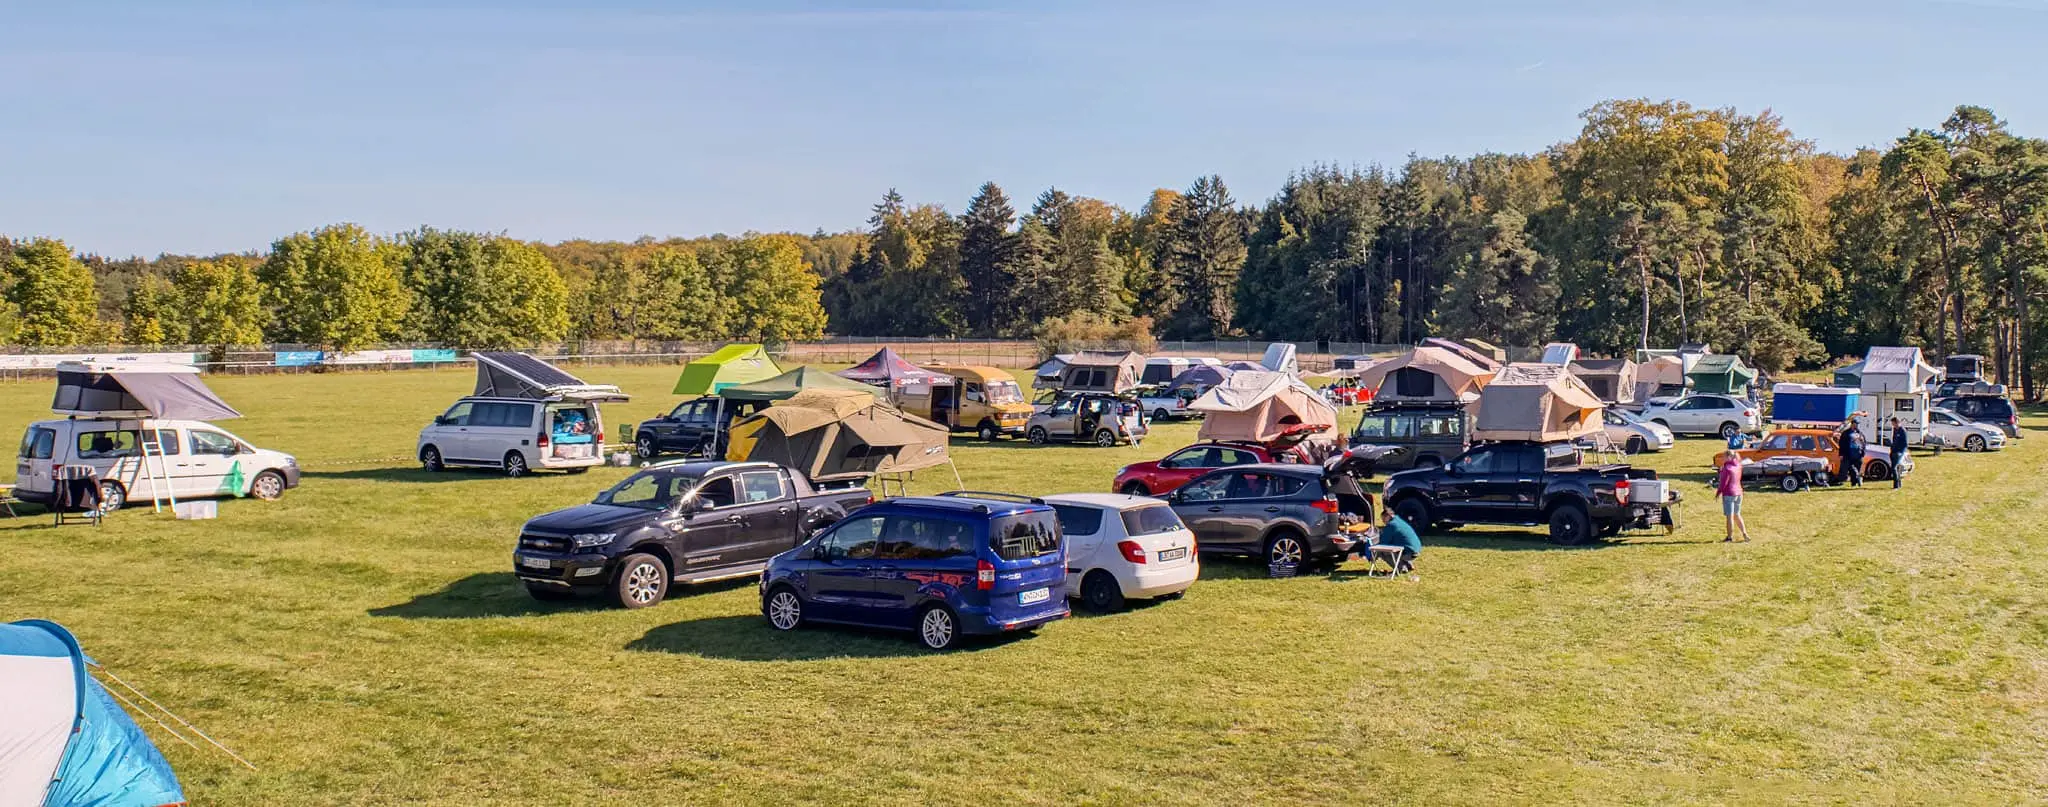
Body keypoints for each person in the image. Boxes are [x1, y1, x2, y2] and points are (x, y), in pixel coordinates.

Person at [1714, 452, 1751, 542]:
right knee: (1737, 514)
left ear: (1729, 457)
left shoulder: (1726, 468)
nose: (1723, 459)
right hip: (1739, 492)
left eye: (1724, 457)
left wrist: (1718, 493)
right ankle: (1745, 534)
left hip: (1729, 493)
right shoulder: (1738, 465)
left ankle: (1729, 537)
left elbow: (1723, 483)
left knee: (1729, 516)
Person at [1372, 508, 1422, 573]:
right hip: (1416, 549)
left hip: (1408, 552)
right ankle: (1409, 565)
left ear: (1388, 516)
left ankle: (1400, 568)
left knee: (1382, 552)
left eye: (1384, 519)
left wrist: (1373, 553)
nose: (1383, 521)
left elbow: (1383, 543)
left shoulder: (1391, 525)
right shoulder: (1399, 521)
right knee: (1397, 547)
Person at [1836, 417, 1865, 488]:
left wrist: (1863, 451)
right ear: (1852, 424)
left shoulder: (1859, 433)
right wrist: (1841, 454)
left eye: (1857, 424)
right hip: (1848, 454)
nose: (1857, 425)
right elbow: (1841, 444)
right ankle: (1858, 479)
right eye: (1855, 424)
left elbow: (1864, 443)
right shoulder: (1846, 433)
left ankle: (1854, 483)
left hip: (1858, 455)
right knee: (1850, 468)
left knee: (1856, 469)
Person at [1888, 417, 1909, 490]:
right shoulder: (1895, 430)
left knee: (1893, 468)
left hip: (1899, 452)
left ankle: (1896, 485)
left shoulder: (1902, 431)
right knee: (1896, 468)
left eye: (1893, 423)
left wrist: (1901, 452)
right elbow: (1894, 440)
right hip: (1894, 451)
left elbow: (1905, 444)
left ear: (1897, 422)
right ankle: (1899, 483)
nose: (1893, 425)